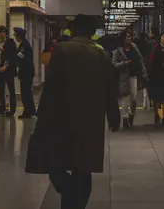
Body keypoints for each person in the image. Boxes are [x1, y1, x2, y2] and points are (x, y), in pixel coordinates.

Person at [26, 14, 120, 209]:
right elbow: (111, 89)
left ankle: (69, 197)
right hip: (92, 121)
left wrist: (43, 118)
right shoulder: (102, 54)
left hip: (63, 118)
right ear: (93, 33)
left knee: (57, 166)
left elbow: (51, 88)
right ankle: (76, 202)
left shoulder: (61, 50)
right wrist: (113, 116)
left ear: (73, 30)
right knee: (83, 169)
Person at [112, 30, 148, 128]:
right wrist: (124, 63)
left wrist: (144, 73)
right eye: (127, 36)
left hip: (134, 75)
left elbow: (140, 60)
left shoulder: (134, 48)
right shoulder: (118, 51)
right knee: (125, 97)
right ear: (123, 39)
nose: (129, 38)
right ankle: (124, 118)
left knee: (134, 98)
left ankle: (131, 114)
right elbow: (114, 63)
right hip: (124, 77)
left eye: (130, 36)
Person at [0, 25, 17, 117]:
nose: (3, 34)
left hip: (8, 71)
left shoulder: (11, 43)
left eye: (4, 32)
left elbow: (13, 56)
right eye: (1, 32)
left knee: (11, 90)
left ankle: (12, 110)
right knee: (1, 90)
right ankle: (2, 107)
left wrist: (7, 64)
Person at [147, 32, 164, 126]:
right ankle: (156, 114)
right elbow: (151, 63)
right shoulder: (156, 49)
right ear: (160, 38)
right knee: (155, 98)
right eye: (163, 37)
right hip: (155, 77)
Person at [14, 27, 36, 119]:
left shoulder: (24, 45)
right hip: (26, 72)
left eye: (15, 35)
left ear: (19, 36)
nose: (15, 37)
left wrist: (13, 61)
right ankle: (30, 110)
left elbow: (20, 57)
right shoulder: (24, 44)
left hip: (26, 72)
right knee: (27, 92)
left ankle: (28, 111)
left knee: (25, 92)